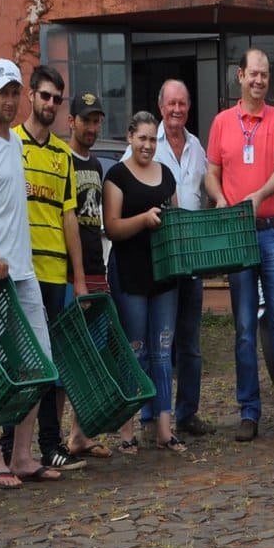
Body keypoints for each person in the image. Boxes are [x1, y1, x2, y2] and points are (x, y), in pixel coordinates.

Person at [0, 59, 57, 487]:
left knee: (39, 363)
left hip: (25, 270)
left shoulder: (16, 143)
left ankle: (21, 454)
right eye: (3, 92)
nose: (10, 99)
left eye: (15, 91)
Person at [204, 48, 274, 443]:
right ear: (239, 76)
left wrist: (258, 196)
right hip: (238, 235)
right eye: (253, 74)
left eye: (265, 75)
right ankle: (249, 412)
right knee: (244, 327)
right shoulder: (222, 122)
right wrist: (222, 199)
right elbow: (212, 173)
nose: (259, 81)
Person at [5, 65, 88, 473]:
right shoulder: (9, 144)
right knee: (19, 362)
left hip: (55, 273)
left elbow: (69, 217)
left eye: (57, 98)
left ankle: (50, 443)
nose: (50, 103)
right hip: (19, 270)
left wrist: (79, 277)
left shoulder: (62, 155)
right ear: (30, 97)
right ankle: (9, 445)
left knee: (50, 363)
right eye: (45, 96)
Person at [104, 112, 183, 453]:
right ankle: (127, 431)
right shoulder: (117, 176)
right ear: (130, 137)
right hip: (129, 275)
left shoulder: (166, 174)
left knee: (164, 351)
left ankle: (164, 429)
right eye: (142, 139)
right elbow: (112, 227)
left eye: (153, 139)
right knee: (135, 351)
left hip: (164, 276)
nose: (148, 145)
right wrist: (144, 219)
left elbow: (176, 219)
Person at [150, 80, 213, 437]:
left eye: (183, 104)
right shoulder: (147, 142)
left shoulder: (197, 146)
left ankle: (188, 413)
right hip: (160, 255)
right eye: (171, 103)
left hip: (191, 258)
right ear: (161, 107)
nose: (177, 110)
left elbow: (207, 191)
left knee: (190, 340)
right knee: (160, 339)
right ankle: (155, 415)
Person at [62, 92, 112, 460]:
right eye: (86, 120)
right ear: (71, 122)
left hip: (98, 267)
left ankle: (79, 434)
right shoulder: (62, 159)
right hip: (67, 273)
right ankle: (54, 435)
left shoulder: (95, 166)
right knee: (67, 358)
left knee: (94, 353)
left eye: (97, 121)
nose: (92, 127)